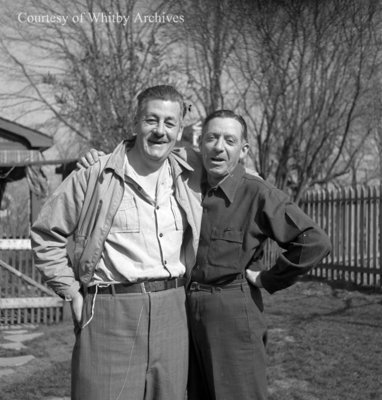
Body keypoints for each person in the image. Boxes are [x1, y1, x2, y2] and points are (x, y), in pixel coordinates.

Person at [79, 109, 332, 400]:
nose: (219, 147)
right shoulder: (189, 183)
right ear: (200, 145)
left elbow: (314, 241)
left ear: (243, 149)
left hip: (232, 310)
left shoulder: (256, 191)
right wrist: (102, 158)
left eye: (229, 140)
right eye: (211, 138)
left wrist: (268, 279)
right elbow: (147, 154)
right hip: (188, 311)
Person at [31, 85, 203, 400]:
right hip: (110, 310)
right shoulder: (96, 175)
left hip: (174, 310)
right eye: (152, 120)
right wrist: (71, 292)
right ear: (136, 122)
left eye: (169, 123)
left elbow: (239, 177)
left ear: (180, 130)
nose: (160, 131)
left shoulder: (189, 177)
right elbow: (45, 235)